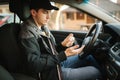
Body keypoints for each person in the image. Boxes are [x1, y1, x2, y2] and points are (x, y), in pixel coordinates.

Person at [19, 0, 102, 80]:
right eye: (45, 12)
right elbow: (34, 65)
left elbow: (49, 51)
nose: (48, 17)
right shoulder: (28, 32)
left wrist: (62, 45)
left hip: (55, 64)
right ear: (34, 12)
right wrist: (64, 55)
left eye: (49, 12)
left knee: (88, 57)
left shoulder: (42, 27)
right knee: (95, 72)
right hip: (49, 74)